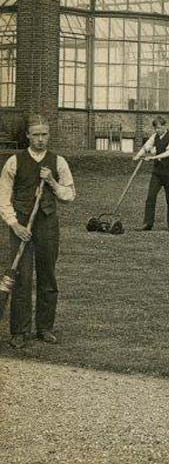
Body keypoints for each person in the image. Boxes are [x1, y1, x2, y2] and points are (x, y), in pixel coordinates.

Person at [0, 114, 75, 348]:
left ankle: (45, 328)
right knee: (21, 278)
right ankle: (19, 331)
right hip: (21, 225)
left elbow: (70, 195)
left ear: (49, 135)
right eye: (36, 135)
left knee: (47, 276)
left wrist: (52, 181)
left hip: (48, 225)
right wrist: (14, 224)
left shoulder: (58, 162)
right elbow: (3, 197)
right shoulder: (14, 161)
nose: (41, 139)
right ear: (28, 136)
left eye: (44, 135)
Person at [134, 116, 169, 231]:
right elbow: (146, 147)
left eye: (159, 128)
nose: (157, 130)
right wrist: (138, 155)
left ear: (165, 126)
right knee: (150, 197)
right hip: (157, 172)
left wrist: (154, 157)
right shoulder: (155, 137)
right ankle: (148, 223)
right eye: (155, 128)